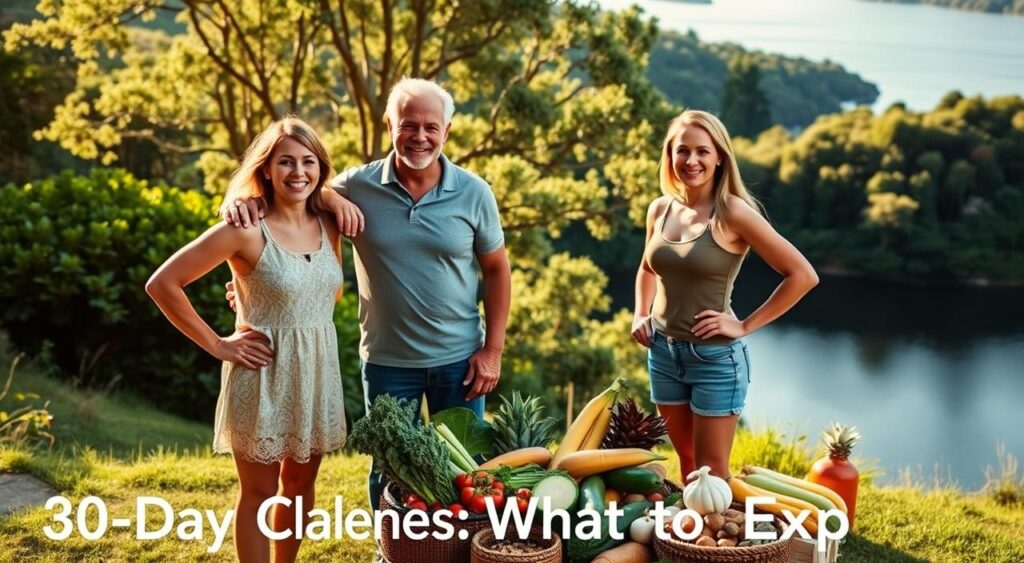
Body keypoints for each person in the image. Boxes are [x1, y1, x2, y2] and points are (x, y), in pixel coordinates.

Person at [224, 78, 512, 510]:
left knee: (467, 469)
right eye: (408, 125)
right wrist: (246, 206)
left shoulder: (475, 193)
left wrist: (493, 349)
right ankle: (392, 549)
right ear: (390, 125)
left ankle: (459, 551)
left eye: (431, 127)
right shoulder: (355, 186)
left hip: (461, 360)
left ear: (447, 131)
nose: (420, 137)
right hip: (387, 361)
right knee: (390, 469)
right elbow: (292, 195)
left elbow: (496, 270)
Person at [147, 116, 346, 563]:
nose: (298, 172)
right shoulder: (245, 228)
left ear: (320, 168)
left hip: (316, 373)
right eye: (286, 162)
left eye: (308, 162)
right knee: (258, 493)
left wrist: (259, 292)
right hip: (262, 375)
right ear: (267, 170)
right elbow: (163, 284)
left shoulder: (329, 223)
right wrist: (219, 343)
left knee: (299, 488)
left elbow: (329, 290)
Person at [631, 110, 818, 480]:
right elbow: (647, 269)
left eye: (703, 151)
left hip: (714, 359)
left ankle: (725, 534)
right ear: (669, 155)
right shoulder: (660, 209)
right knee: (684, 462)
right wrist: (640, 313)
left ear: (720, 157)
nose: (692, 160)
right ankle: (689, 539)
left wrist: (745, 325)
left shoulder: (733, 213)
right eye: (682, 150)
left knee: (712, 471)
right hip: (663, 353)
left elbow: (802, 275)